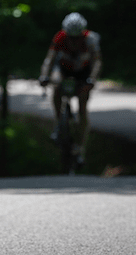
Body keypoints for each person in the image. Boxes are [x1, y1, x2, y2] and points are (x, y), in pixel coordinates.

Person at [38, 12, 102, 165]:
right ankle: (59, 122)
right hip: (63, 70)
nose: (73, 40)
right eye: (70, 37)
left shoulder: (90, 39)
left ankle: (80, 146)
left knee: (82, 106)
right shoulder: (60, 37)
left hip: (83, 73)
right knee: (56, 86)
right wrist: (44, 76)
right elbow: (49, 59)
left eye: (77, 37)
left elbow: (97, 62)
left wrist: (92, 80)